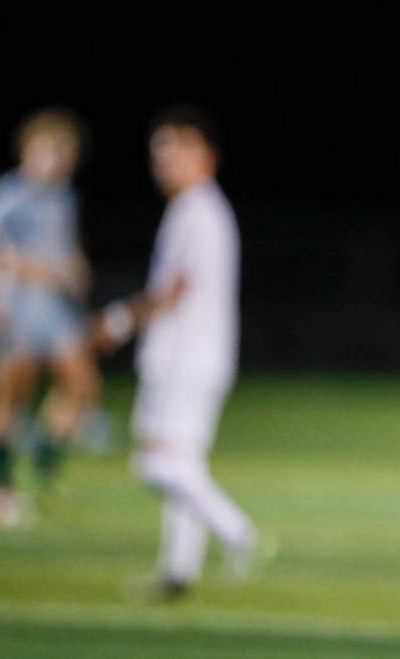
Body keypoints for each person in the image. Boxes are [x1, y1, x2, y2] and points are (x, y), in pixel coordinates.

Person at [95, 106, 257, 600]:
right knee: (181, 463)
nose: (164, 165)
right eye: (158, 156)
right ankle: (178, 571)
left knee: (156, 465)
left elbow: (174, 288)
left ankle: (237, 532)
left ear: (206, 155)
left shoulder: (200, 211)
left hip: (188, 358)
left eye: (175, 154)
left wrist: (118, 321)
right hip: (185, 355)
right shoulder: (192, 209)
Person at [0, 108, 101, 527]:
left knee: (83, 383)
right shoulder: (5, 196)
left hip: (53, 306)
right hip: (15, 304)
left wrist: (76, 273)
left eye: (64, 153)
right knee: (9, 397)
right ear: (27, 151)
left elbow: (63, 248)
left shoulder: (63, 197)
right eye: (49, 150)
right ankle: (1, 490)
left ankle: (43, 456)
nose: (57, 161)